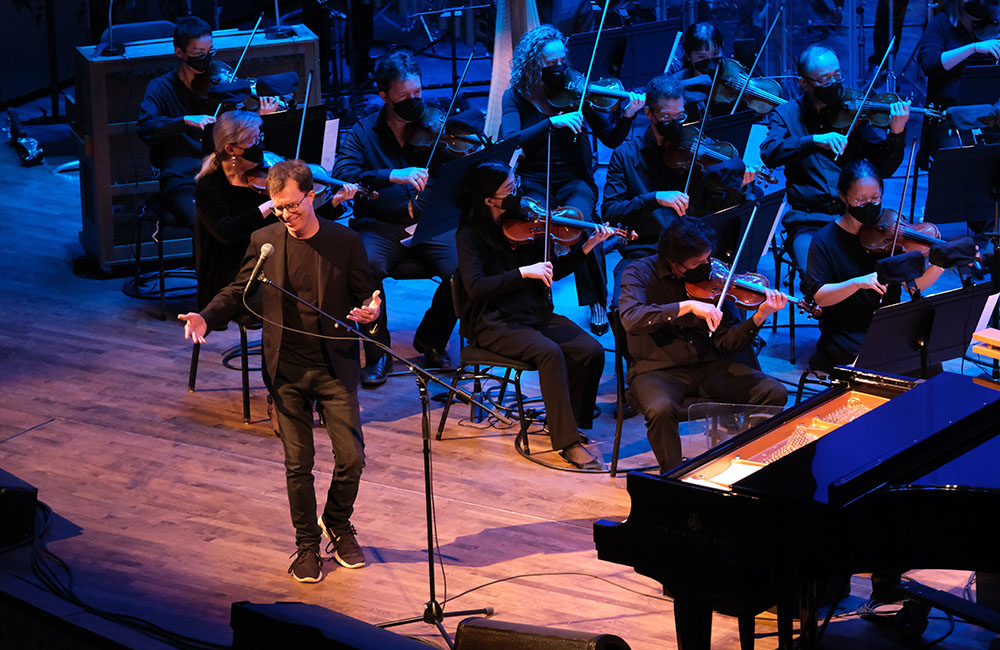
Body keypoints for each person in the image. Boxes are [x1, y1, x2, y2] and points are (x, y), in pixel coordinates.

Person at [178, 160, 381, 584]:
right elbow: (238, 289)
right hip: (286, 370)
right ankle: (306, 543)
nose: (285, 214)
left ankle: (337, 523)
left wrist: (372, 312)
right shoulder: (264, 240)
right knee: (298, 463)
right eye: (277, 207)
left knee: (352, 459)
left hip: (333, 368)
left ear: (311, 195)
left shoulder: (345, 242)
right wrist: (206, 317)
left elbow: (368, 293)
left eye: (291, 205)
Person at [456, 160, 615, 469]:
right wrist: (522, 272)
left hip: (534, 314)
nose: (517, 194)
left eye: (515, 185)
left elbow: (550, 273)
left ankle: (573, 422)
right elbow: (475, 287)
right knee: (549, 353)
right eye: (508, 190)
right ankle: (565, 442)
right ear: (489, 200)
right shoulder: (470, 236)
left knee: (591, 350)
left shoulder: (529, 224)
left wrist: (587, 247)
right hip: (494, 321)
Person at [501, 24, 645, 336]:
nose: (559, 68)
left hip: (574, 179)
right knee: (533, 224)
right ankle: (535, 296)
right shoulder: (515, 97)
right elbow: (511, 139)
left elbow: (610, 138)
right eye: (551, 64)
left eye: (562, 61)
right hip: (535, 180)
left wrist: (628, 115)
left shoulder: (575, 90)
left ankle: (595, 300)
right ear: (533, 63)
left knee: (581, 221)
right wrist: (551, 123)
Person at [618, 218, 788, 474]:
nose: (707, 266)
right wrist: (685, 307)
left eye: (707, 259)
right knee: (660, 410)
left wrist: (759, 317)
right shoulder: (639, 272)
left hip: (707, 366)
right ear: (674, 262)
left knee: (773, 391)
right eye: (698, 263)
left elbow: (727, 344)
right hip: (655, 371)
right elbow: (631, 318)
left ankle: (748, 465)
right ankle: (673, 478)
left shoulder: (714, 281)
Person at [332, 49, 458, 387]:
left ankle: (431, 340)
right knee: (363, 266)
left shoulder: (435, 125)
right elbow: (344, 175)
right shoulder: (362, 133)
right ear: (384, 95)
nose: (414, 102)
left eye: (418, 93)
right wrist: (391, 174)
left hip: (430, 224)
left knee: (463, 270)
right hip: (381, 227)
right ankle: (377, 353)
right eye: (404, 97)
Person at [602, 75, 754, 308]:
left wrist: (736, 187)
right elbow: (611, 211)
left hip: (694, 253)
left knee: (725, 300)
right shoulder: (625, 155)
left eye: (680, 116)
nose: (674, 123)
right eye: (665, 117)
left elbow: (717, 208)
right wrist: (654, 198)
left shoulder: (697, 150)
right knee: (621, 307)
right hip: (645, 252)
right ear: (649, 114)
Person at [192, 110, 362, 310]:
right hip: (238, 275)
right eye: (252, 141)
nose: (260, 146)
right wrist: (269, 204)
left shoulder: (263, 179)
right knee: (310, 295)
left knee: (338, 283)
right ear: (231, 149)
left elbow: (292, 226)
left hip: (277, 262)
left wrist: (334, 204)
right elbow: (226, 232)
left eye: (259, 137)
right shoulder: (209, 187)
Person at [760, 44, 909, 270]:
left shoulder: (854, 113)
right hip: (808, 220)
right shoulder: (787, 114)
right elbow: (770, 152)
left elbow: (884, 169)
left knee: (888, 270)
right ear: (804, 83)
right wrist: (812, 141)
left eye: (838, 75)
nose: (835, 83)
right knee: (820, 274)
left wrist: (896, 135)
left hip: (856, 216)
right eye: (825, 79)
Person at [802, 160, 945, 372]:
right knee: (888, 364)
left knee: (929, 362)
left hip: (890, 325)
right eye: (861, 200)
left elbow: (915, 285)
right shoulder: (824, 240)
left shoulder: (893, 234)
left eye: (875, 198)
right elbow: (820, 296)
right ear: (844, 197)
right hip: (846, 332)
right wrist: (858, 283)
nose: (870, 204)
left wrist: (941, 263)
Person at [916, 0, 1000, 166]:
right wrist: (972, 48)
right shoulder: (941, 24)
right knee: (960, 159)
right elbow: (930, 63)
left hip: (990, 118)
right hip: (950, 120)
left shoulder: (994, 24)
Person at [666, 22, 725, 122]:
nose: (710, 61)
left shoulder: (731, 71)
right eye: (701, 56)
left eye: (715, 53)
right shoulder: (677, 81)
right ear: (688, 55)